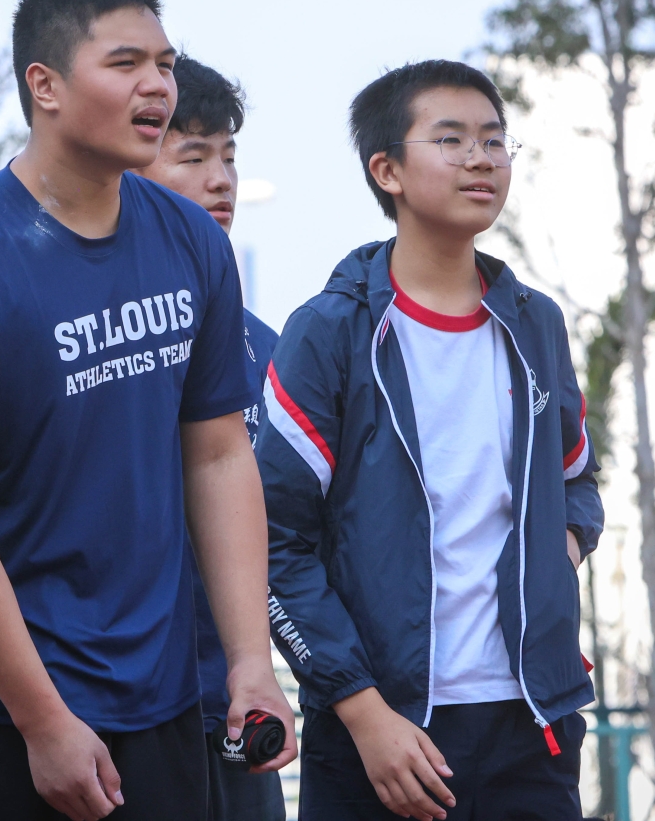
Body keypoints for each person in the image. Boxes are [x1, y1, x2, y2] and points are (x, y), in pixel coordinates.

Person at [0, 0, 296, 821]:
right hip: (12, 717)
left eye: (164, 64)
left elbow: (220, 457)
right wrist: (42, 720)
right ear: (46, 86)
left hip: (169, 702)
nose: (158, 87)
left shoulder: (192, 242)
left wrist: (251, 662)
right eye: (125, 63)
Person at [257, 59, 604, 821]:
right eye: (451, 140)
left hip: (533, 720)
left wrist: (560, 552)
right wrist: (362, 710)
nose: (481, 158)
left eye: (494, 140)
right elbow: (274, 542)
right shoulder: (330, 332)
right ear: (387, 170)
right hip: (382, 731)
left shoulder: (535, 323)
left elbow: (576, 479)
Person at [134, 54, 286, 821]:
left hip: (239, 701)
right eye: (192, 157)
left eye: (228, 156)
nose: (220, 179)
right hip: (122, 706)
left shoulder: (266, 344)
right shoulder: (99, 331)